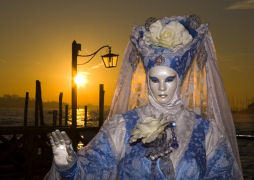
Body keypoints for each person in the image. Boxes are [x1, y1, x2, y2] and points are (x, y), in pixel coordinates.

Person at [45, 15, 243, 179]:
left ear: (179, 80)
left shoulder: (207, 133)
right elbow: (93, 168)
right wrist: (68, 164)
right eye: (155, 80)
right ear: (147, 81)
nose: (162, 88)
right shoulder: (122, 126)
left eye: (170, 79)